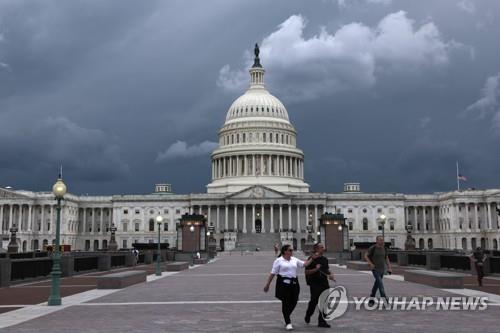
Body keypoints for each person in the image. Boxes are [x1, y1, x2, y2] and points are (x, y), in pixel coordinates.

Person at [263, 245, 317, 331]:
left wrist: (312, 258)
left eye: (292, 250)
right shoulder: (278, 261)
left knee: (294, 301)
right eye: (290, 250)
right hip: (283, 284)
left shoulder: (294, 259)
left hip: (294, 283)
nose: (292, 251)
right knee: (286, 302)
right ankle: (288, 322)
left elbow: (304, 264)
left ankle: (286, 315)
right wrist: (267, 285)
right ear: (285, 251)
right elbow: (273, 273)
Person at [305, 242, 335, 328]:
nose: (323, 248)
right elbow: (307, 272)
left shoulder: (325, 259)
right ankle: (308, 314)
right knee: (314, 302)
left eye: (323, 247)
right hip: (314, 283)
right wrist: (315, 269)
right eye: (321, 247)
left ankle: (322, 322)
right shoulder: (311, 259)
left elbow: (327, 270)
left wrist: (331, 274)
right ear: (316, 249)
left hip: (324, 283)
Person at [365, 235, 392, 305]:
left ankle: (371, 299)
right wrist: (370, 263)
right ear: (377, 241)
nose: (381, 241)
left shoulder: (385, 249)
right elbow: (366, 255)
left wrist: (389, 267)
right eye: (380, 240)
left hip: (382, 270)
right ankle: (385, 300)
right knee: (380, 284)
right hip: (375, 269)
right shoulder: (373, 248)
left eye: (382, 240)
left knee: (376, 284)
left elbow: (386, 258)